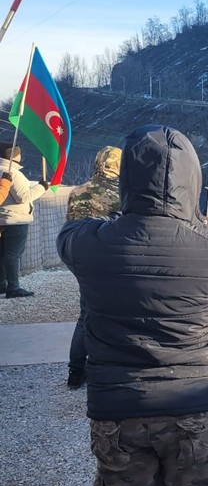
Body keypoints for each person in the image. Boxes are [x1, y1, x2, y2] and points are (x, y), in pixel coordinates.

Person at [56, 125, 208, 486]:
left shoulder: (90, 243)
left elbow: (68, 234)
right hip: (197, 402)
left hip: (117, 404)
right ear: (193, 180)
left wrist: (121, 219)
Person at [64, 146, 122, 390]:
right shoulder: (125, 193)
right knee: (118, 316)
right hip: (114, 260)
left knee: (86, 313)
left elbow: (69, 228)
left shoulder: (78, 192)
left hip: (82, 259)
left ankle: (76, 372)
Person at [0, 143, 49, 299]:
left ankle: (2, 284)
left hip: (2, 218)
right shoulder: (12, 173)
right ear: (13, 156)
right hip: (16, 219)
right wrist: (42, 187)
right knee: (13, 254)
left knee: (2, 253)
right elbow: (23, 196)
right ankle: (13, 287)